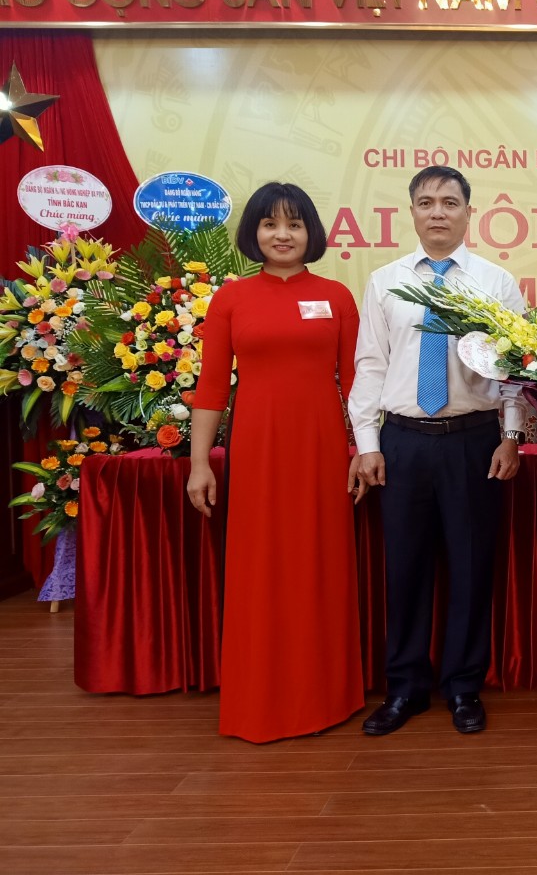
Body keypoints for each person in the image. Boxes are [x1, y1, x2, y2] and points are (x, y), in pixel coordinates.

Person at [348, 165, 525, 736]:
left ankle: (464, 687)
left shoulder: (495, 282)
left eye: (450, 202)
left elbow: (515, 371)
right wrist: (368, 443)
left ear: (469, 212)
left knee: (471, 569)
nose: (438, 212)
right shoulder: (385, 281)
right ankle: (404, 688)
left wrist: (511, 436)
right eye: (426, 202)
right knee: (405, 568)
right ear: (413, 212)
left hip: (473, 442)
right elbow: (370, 364)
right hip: (401, 441)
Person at [187, 181, 364, 743]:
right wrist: (199, 464)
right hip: (257, 449)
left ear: (312, 233)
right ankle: (259, 701)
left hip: (321, 449)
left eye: (294, 224)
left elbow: (356, 384)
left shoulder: (337, 296)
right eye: (270, 224)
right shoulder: (231, 299)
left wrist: (363, 450)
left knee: (319, 563)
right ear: (254, 233)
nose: (282, 235)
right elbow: (211, 389)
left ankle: (326, 696)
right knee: (260, 567)